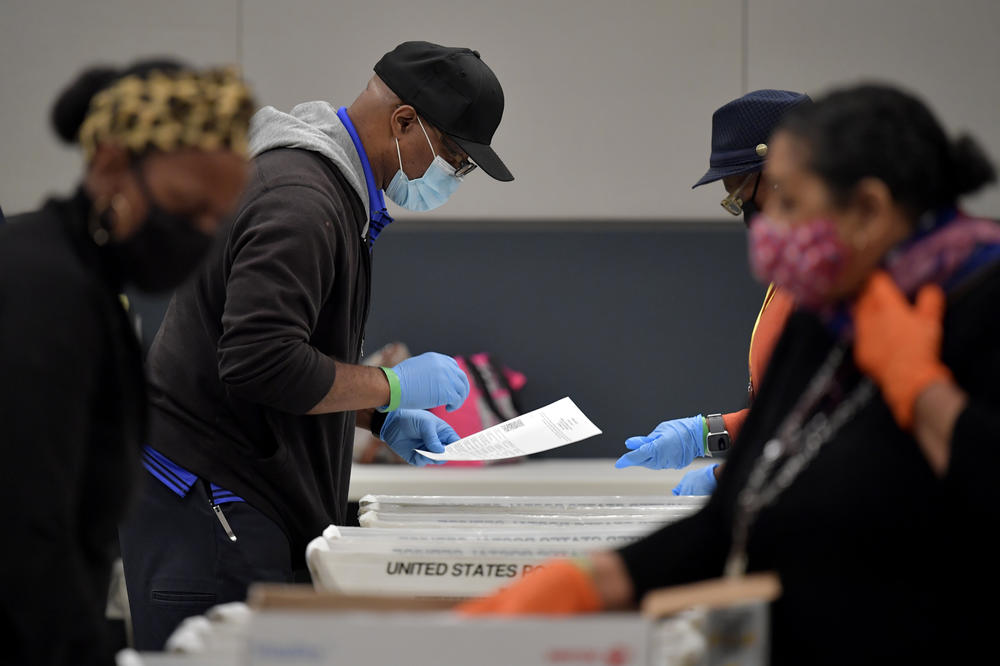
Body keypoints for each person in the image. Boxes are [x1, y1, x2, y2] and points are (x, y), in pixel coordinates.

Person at [459, 83, 1000, 664]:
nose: (768, 227)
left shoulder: (983, 302)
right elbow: (725, 525)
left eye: (789, 202)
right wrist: (592, 580)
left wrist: (921, 389)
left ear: (867, 208)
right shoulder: (825, 316)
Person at [119, 41, 514, 649]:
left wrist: (376, 416)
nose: (453, 177)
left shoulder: (325, 191)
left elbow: (268, 354)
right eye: (455, 159)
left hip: (233, 495)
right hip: (211, 503)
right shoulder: (301, 202)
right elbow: (260, 363)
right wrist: (393, 384)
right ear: (404, 121)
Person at [0, 60, 254, 665]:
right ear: (112, 163)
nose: (197, 235)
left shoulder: (87, 284)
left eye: (213, 221)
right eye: (185, 206)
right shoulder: (42, 289)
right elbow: (23, 528)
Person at [616, 90, 809, 495]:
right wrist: (705, 434)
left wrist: (728, 479)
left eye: (740, 194)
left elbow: (826, 428)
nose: (743, 212)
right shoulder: (796, 274)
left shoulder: (842, 282)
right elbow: (786, 414)